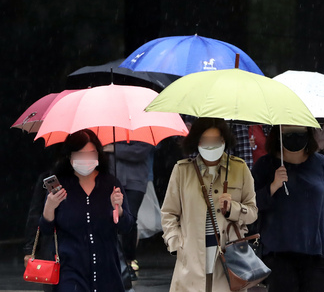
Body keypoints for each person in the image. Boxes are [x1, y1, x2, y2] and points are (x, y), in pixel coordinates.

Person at [161, 117, 258, 292]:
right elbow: (168, 213)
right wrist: (176, 244)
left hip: (229, 259)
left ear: (224, 141)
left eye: (216, 141)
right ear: (196, 141)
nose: (211, 146)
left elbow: (252, 212)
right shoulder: (182, 170)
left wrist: (233, 209)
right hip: (190, 259)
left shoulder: (239, 168)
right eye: (206, 140)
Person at [252, 125, 324, 292]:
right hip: (278, 253)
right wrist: (273, 186)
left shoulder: (323, 165)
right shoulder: (265, 165)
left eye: (300, 133)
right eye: (289, 133)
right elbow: (252, 207)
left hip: (315, 253)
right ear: (279, 134)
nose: (295, 137)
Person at [39, 129, 134, 292]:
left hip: (107, 270)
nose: (86, 159)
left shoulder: (111, 184)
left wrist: (118, 209)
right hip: (70, 270)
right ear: (70, 156)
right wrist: (50, 207)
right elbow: (46, 230)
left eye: (91, 153)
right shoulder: (58, 185)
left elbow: (127, 227)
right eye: (81, 155)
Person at [106, 140, 155, 280]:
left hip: (136, 180)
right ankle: (114, 259)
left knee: (129, 218)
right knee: (110, 218)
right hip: (112, 177)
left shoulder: (142, 126)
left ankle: (128, 260)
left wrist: (114, 148)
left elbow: (140, 151)